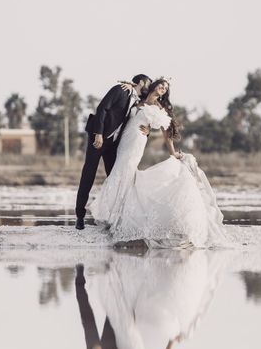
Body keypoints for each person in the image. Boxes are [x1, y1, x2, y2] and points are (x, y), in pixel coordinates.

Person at [90, 78, 230, 248]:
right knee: (119, 171)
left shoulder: (159, 107)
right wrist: (129, 84)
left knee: (125, 171)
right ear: (154, 86)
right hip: (125, 140)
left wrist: (171, 151)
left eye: (165, 88)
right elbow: (133, 94)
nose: (162, 89)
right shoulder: (138, 99)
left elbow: (166, 131)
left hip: (137, 142)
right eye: (161, 86)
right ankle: (112, 213)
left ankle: (116, 216)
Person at [75, 74, 152, 230]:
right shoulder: (120, 90)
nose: (149, 88)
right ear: (141, 82)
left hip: (113, 143)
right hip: (98, 138)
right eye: (148, 84)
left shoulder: (139, 102)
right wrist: (98, 133)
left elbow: (137, 120)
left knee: (115, 178)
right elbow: (102, 108)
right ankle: (80, 216)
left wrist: (148, 129)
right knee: (88, 174)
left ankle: (113, 217)